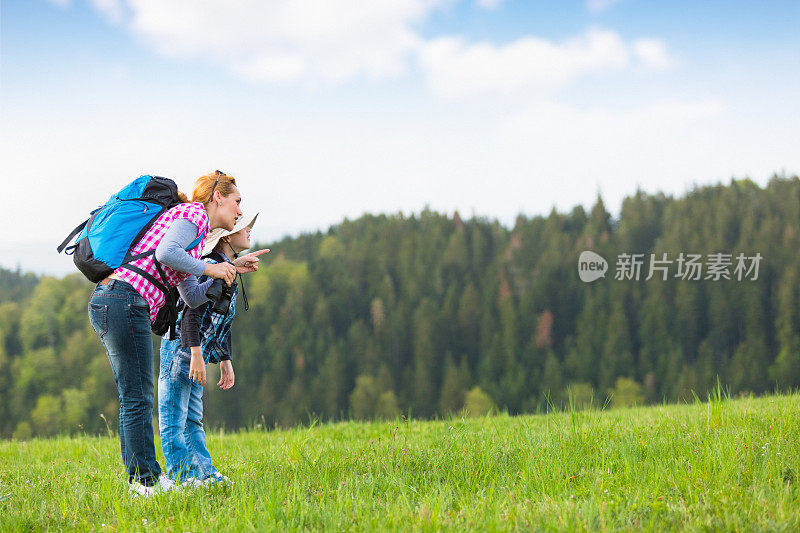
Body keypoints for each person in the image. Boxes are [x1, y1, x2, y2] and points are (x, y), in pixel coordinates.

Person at [87, 171, 257, 497]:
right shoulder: (193, 213)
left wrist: (231, 268)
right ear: (217, 197)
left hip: (118, 301)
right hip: (123, 299)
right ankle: (146, 481)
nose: (239, 212)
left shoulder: (195, 238)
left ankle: (142, 479)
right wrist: (212, 268)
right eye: (237, 202)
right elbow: (166, 253)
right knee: (138, 398)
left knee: (135, 396)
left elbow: (193, 297)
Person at [158, 212, 267, 486]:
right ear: (228, 236)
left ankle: (203, 474)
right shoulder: (209, 265)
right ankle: (182, 478)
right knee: (175, 417)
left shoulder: (225, 267)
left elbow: (221, 318)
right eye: (246, 227)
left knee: (193, 417)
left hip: (197, 352)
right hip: (182, 350)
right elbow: (190, 312)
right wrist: (195, 354)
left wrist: (224, 359)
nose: (250, 231)